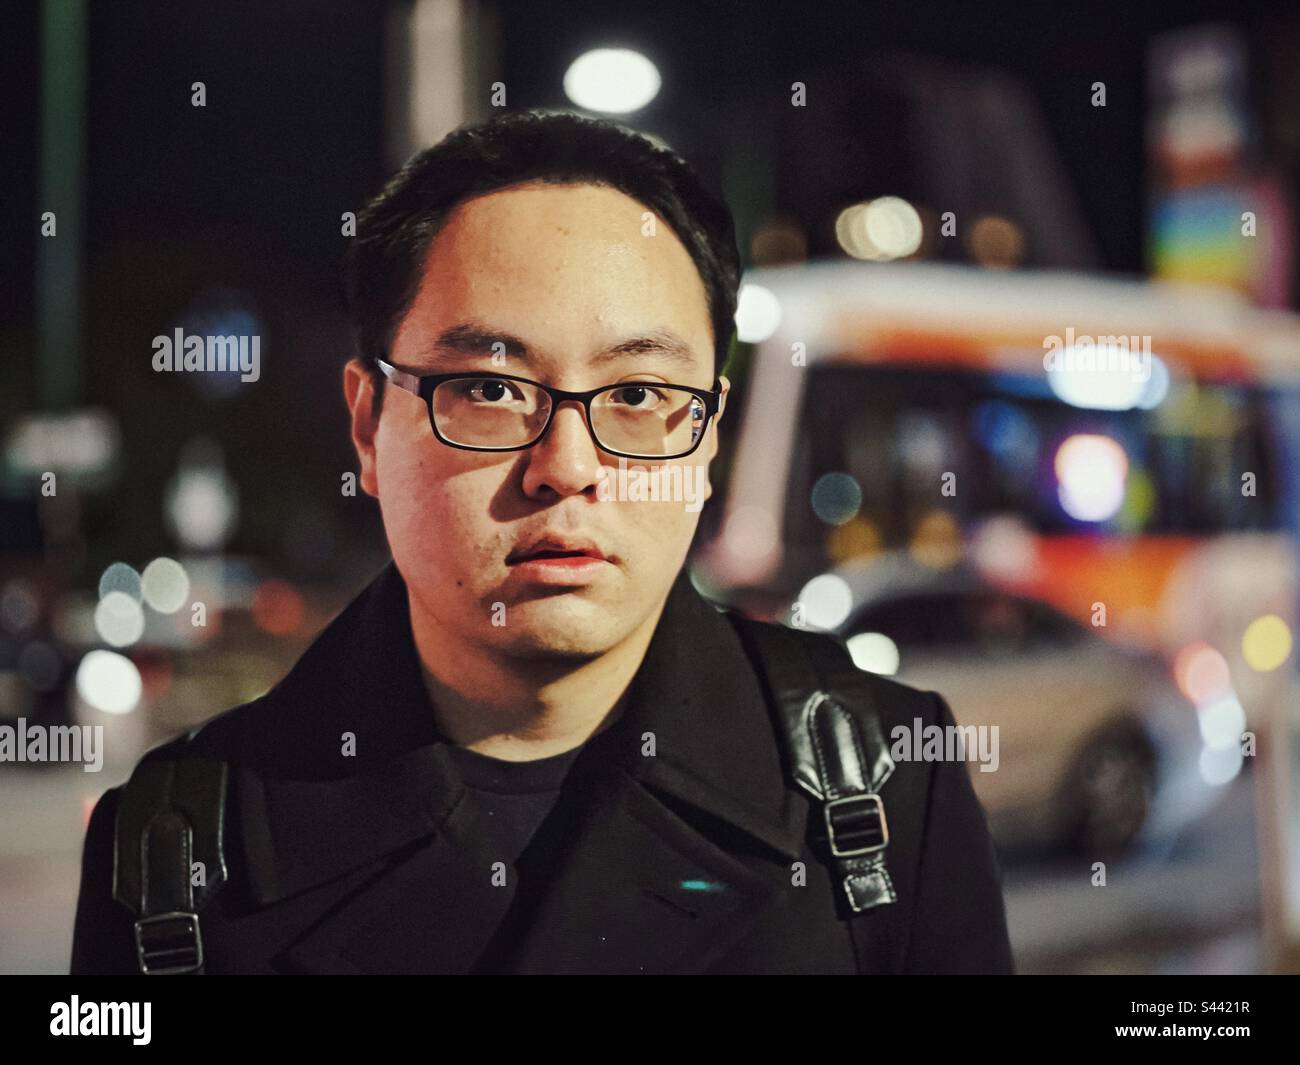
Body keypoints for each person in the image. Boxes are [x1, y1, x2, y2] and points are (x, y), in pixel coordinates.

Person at [71, 109, 1014, 975]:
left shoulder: (883, 780)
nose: (567, 465)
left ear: (710, 430)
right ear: (367, 422)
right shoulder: (180, 845)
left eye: (639, 395)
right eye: (489, 388)